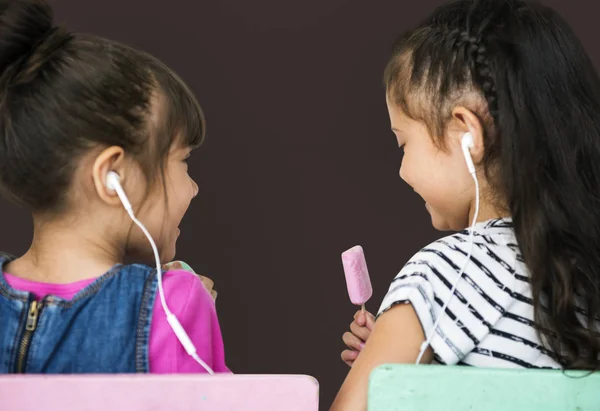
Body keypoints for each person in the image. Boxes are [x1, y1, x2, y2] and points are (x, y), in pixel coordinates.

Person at [333, 0, 600, 409]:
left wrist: (398, 346)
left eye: (403, 143)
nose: (402, 171)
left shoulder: (444, 274)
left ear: (467, 133)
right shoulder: (585, 276)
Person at [0, 0, 228, 374]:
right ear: (113, 177)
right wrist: (187, 316)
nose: (194, 188)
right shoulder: (175, 304)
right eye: (182, 161)